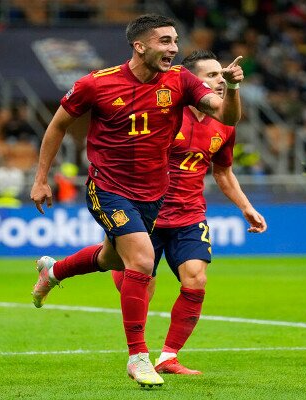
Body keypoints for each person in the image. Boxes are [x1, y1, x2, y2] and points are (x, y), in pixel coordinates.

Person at [29, 14, 244, 388]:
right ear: (139, 45)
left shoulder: (180, 80)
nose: (173, 48)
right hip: (107, 186)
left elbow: (224, 115)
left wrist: (234, 88)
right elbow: (58, 125)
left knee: (111, 258)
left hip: (153, 192)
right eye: (164, 41)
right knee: (142, 261)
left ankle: (54, 271)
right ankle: (139, 357)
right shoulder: (96, 84)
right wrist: (41, 178)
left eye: (175, 41)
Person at [111, 50, 267, 375]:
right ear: (191, 81)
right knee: (138, 283)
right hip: (147, 213)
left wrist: (247, 207)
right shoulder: (165, 113)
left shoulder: (225, 125)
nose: (220, 81)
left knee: (196, 279)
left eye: (221, 75)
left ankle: (167, 357)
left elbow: (223, 174)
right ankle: (62, 271)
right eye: (211, 76)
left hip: (189, 215)